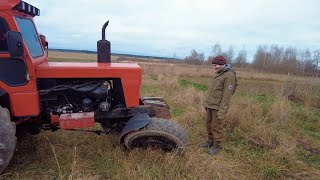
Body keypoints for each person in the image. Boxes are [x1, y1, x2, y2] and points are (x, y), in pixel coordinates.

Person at [201, 55, 237, 154]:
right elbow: (212, 91)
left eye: (216, 65)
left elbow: (227, 95)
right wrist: (206, 103)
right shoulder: (218, 73)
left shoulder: (229, 75)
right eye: (213, 65)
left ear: (222, 64)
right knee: (208, 125)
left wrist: (222, 111)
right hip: (210, 105)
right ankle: (210, 142)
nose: (215, 67)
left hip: (218, 107)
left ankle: (218, 145)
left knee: (216, 127)